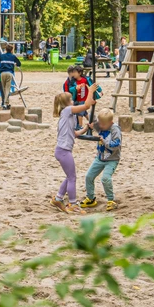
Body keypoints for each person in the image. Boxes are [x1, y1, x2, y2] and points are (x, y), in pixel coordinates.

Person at [50, 83, 99, 214]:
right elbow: (86, 106)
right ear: (67, 103)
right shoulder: (67, 111)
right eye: (71, 100)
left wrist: (86, 128)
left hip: (62, 150)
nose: (73, 101)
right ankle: (73, 204)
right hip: (64, 151)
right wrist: (90, 90)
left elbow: (75, 134)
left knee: (69, 176)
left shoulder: (67, 116)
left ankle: (58, 199)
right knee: (72, 177)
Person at [78, 108, 123, 211]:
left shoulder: (115, 130)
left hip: (112, 159)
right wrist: (92, 125)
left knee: (105, 178)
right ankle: (90, 198)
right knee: (89, 176)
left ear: (110, 123)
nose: (100, 127)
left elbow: (117, 145)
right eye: (100, 124)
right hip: (100, 158)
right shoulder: (102, 124)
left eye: (103, 125)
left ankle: (111, 200)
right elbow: (95, 123)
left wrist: (105, 142)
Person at [0, 38, 20, 109]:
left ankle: (6, 103)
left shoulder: (2, 56)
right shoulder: (13, 56)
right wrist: (14, 64)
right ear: (11, 50)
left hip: (2, 73)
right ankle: (5, 104)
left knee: (4, 88)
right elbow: (19, 64)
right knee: (7, 89)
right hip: (9, 73)